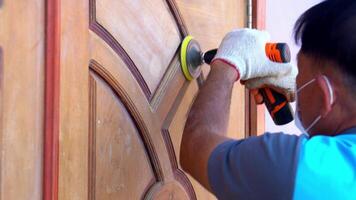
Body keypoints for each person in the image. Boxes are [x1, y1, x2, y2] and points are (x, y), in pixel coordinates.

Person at [180, 0, 356, 199]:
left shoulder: (307, 170)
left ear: (326, 96)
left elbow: (195, 149)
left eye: (300, 82)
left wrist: (229, 62)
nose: (296, 86)